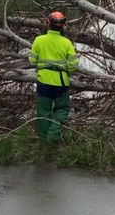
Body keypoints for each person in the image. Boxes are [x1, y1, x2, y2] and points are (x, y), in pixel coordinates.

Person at [28, 11, 79, 144]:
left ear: (48, 24)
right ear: (62, 26)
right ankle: (52, 135)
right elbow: (74, 65)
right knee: (62, 109)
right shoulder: (67, 43)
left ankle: (44, 142)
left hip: (43, 80)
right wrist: (65, 71)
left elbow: (32, 61)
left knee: (43, 111)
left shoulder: (39, 40)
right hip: (60, 82)